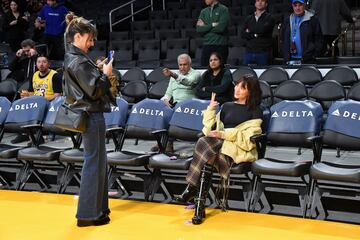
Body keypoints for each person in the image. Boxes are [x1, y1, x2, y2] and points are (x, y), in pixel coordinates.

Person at [175, 74, 263, 225]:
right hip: (217, 149)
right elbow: (209, 129)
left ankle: (192, 190)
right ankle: (198, 209)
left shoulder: (255, 111)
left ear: (251, 91)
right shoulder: (228, 106)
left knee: (205, 147)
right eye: (237, 86)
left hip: (235, 152)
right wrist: (210, 109)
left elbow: (248, 140)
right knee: (207, 153)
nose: (237, 89)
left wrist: (224, 134)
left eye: (243, 88)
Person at [63, 13, 116, 227]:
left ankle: (99, 209)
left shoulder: (76, 58)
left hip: (92, 114)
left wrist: (99, 71)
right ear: (77, 36)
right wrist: (106, 74)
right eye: (89, 38)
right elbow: (94, 90)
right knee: (93, 163)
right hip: (90, 115)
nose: (92, 43)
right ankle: (87, 215)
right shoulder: (77, 60)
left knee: (98, 162)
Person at [151, 53, 201, 153]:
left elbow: (189, 82)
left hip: (190, 105)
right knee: (160, 109)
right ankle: (161, 140)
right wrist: (165, 100)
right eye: (180, 65)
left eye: (185, 64)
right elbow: (168, 92)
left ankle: (168, 142)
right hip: (176, 104)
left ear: (190, 64)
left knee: (173, 111)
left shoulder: (196, 74)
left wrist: (173, 75)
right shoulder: (172, 77)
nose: (182, 67)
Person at [281, 0, 324, 64]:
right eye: (295, 5)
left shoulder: (312, 19)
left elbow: (319, 39)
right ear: (292, 6)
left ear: (304, 5)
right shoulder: (287, 20)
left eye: (300, 5)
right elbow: (283, 39)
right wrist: (285, 55)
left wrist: (313, 55)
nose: (297, 8)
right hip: (290, 59)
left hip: (308, 60)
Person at [196, 0, 229, 67]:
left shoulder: (223, 9)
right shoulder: (203, 11)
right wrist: (212, 25)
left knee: (220, 71)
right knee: (204, 70)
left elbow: (221, 28)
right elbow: (199, 29)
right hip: (207, 45)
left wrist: (205, 27)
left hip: (220, 45)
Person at [241, 0, 275, 66]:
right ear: (255, 3)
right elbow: (243, 34)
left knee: (263, 75)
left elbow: (262, 30)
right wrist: (256, 34)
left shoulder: (270, 18)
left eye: (262, 1)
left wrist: (250, 31)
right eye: (258, 1)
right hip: (249, 52)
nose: (259, 3)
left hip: (263, 52)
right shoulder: (248, 18)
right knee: (247, 75)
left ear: (266, 4)